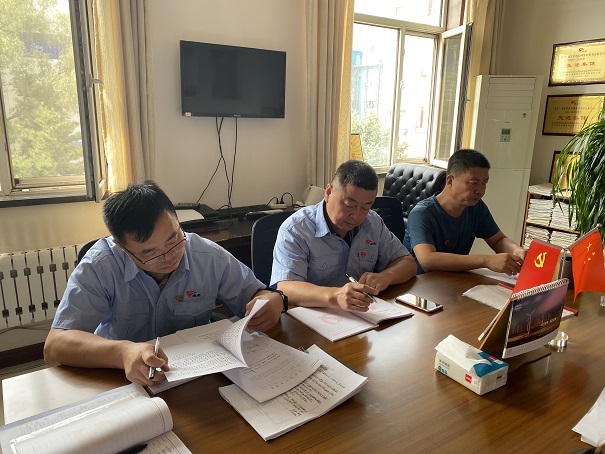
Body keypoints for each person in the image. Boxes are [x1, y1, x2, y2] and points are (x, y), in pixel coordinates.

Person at [44, 181, 284, 385]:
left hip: (198, 373)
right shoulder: (100, 266)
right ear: (121, 247)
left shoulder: (206, 255)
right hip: (126, 377)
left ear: (178, 221)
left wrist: (272, 300)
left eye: (173, 239)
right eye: (150, 252)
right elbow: (55, 346)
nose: (169, 256)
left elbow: (257, 294)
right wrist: (123, 352)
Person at [271, 160, 416, 312]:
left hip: (362, 314)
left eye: (365, 208)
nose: (356, 216)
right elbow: (286, 287)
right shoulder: (296, 229)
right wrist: (336, 296)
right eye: (349, 205)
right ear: (328, 193)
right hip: (313, 317)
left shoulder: (373, 222)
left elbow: (407, 263)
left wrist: (386, 276)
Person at [403, 149, 526, 275]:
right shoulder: (422, 213)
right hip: (420, 282)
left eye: (484, 183)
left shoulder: (476, 207)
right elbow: (427, 260)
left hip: (454, 279)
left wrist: (515, 250)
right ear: (450, 181)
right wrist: (486, 261)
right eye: (474, 183)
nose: (480, 191)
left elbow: (498, 240)